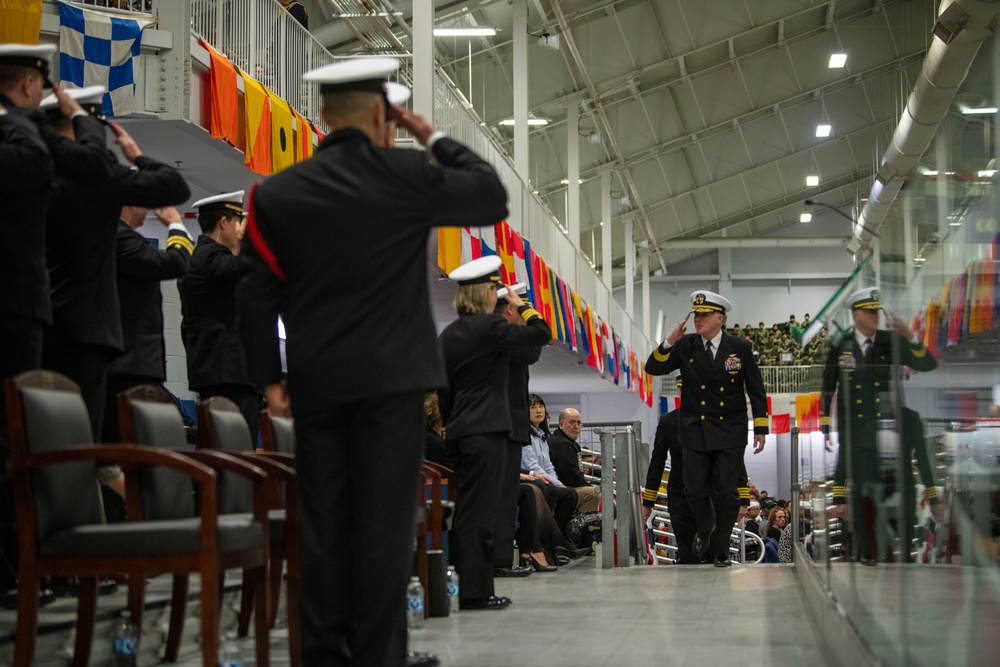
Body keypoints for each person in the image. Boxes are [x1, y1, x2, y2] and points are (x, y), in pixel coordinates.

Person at [237, 57, 508, 666]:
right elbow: (491, 196)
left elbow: (255, 293)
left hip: (319, 383)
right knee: (384, 529)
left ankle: (324, 655)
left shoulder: (278, 193)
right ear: (387, 117)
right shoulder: (408, 174)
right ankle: (380, 656)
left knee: (322, 526)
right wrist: (431, 136)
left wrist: (270, 380)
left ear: (323, 115)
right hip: (393, 384)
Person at [438, 256, 551, 609]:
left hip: (461, 431)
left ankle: (466, 587)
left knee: (468, 512)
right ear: (488, 293)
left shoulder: (449, 334)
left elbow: (444, 392)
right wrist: (524, 307)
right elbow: (541, 335)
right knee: (482, 516)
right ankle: (475, 593)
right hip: (489, 432)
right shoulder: (490, 329)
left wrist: (453, 423)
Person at [644, 290, 769, 566]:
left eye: (703, 315)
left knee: (725, 493)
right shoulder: (686, 345)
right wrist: (668, 342)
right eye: (696, 314)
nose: (697, 319)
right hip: (695, 429)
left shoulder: (740, 348)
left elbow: (756, 390)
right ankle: (706, 526)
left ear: (719, 318)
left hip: (730, 431)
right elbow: (652, 367)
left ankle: (722, 549)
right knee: (695, 488)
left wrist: (761, 427)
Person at [821, 287, 940, 563]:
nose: (876, 316)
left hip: (888, 431)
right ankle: (868, 553)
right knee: (864, 499)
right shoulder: (842, 344)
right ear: (857, 314)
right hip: (859, 434)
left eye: (877, 311)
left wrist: (909, 336)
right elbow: (828, 387)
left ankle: (898, 552)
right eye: (871, 312)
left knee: (895, 497)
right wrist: (827, 427)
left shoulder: (889, 341)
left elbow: (928, 363)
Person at [102, 205, 193, 442]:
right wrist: (175, 224)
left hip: (134, 363)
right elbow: (176, 263)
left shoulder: (123, 238)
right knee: (124, 448)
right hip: (126, 365)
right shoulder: (118, 236)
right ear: (130, 205)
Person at [179, 190, 261, 448]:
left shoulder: (211, 258)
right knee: (231, 458)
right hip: (224, 375)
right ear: (224, 222)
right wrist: (249, 241)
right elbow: (239, 267)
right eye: (238, 221)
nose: (240, 228)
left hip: (230, 374)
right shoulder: (207, 257)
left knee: (238, 459)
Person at [493, 283, 546, 578]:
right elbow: (534, 346)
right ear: (511, 309)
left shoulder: (496, 333)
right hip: (503, 425)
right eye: (521, 310)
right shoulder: (503, 335)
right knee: (502, 497)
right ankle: (498, 559)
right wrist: (530, 314)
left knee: (505, 496)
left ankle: (499, 557)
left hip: (506, 425)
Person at [642, 377, 699, 564]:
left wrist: (742, 496)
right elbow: (657, 461)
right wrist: (648, 501)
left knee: (711, 554)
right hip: (680, 497)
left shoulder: (714, 419)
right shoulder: (668, 421)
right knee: (687, 555)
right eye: (683, 390)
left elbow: (731, 458)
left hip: (709, 498)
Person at [523, 394, 582, 544]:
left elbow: (548, 467)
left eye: (541, 406)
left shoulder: (542, 436)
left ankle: (559, 537)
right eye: (533, 407)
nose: (538, 410)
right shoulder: (525, 435)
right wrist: (556, 484)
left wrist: (558, 483)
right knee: (554, 490)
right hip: (529, 478)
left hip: (544, 479)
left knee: (570, 493)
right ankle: (548, 540)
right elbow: (533, 467)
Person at [548, 408, 601, 512]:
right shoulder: (562, 444)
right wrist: (590, 486)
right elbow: (572, 478)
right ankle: (580, 526)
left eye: (579, 423)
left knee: (597, 489)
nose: (576, 426)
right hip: (561, 489)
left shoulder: (572, 443)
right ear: (561, 425)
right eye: (572, 422)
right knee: (595, 492)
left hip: (568, 487)